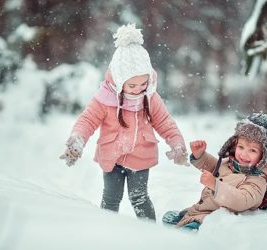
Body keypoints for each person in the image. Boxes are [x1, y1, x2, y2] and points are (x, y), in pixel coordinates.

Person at [59, 23, 189, 221]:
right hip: (112, 158)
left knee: (139, 198)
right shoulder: (104, 98)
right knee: (111, 198)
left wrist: (177, 143)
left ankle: (149, 232)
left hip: (140, 156)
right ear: (119, 80)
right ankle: (108, 230)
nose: (138, 89)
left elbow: (165, 123)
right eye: (132, 85)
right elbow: (87, 120)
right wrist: (77, 140)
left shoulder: (150, 97)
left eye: (143, 83)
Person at [162, 113, 267, 230]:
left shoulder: (258, 179)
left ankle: (195, 224)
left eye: (252, 150)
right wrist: (200, 156)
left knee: (189, 233)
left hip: (218, 216)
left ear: (264, 154)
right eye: (241, 147)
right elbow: (216, 167)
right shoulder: (232, 163)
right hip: (208, 207)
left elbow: (242, 200)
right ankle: (191, 214)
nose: (244, 154)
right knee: (191, 215)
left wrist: (215, 185)